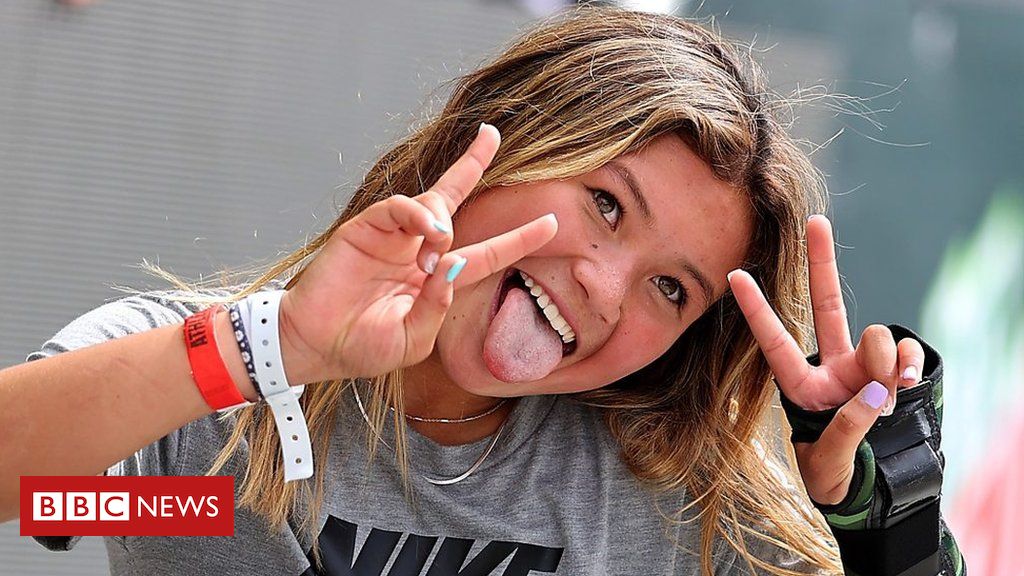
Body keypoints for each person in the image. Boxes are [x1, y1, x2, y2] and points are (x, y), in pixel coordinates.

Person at [0, 6, 965, 576]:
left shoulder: (671, 500)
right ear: (500, 136)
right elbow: (44, 492)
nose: (605, 288)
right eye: (606, 204)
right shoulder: (209, 420)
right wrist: (275, 349)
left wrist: (878, 511)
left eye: (671, 289)